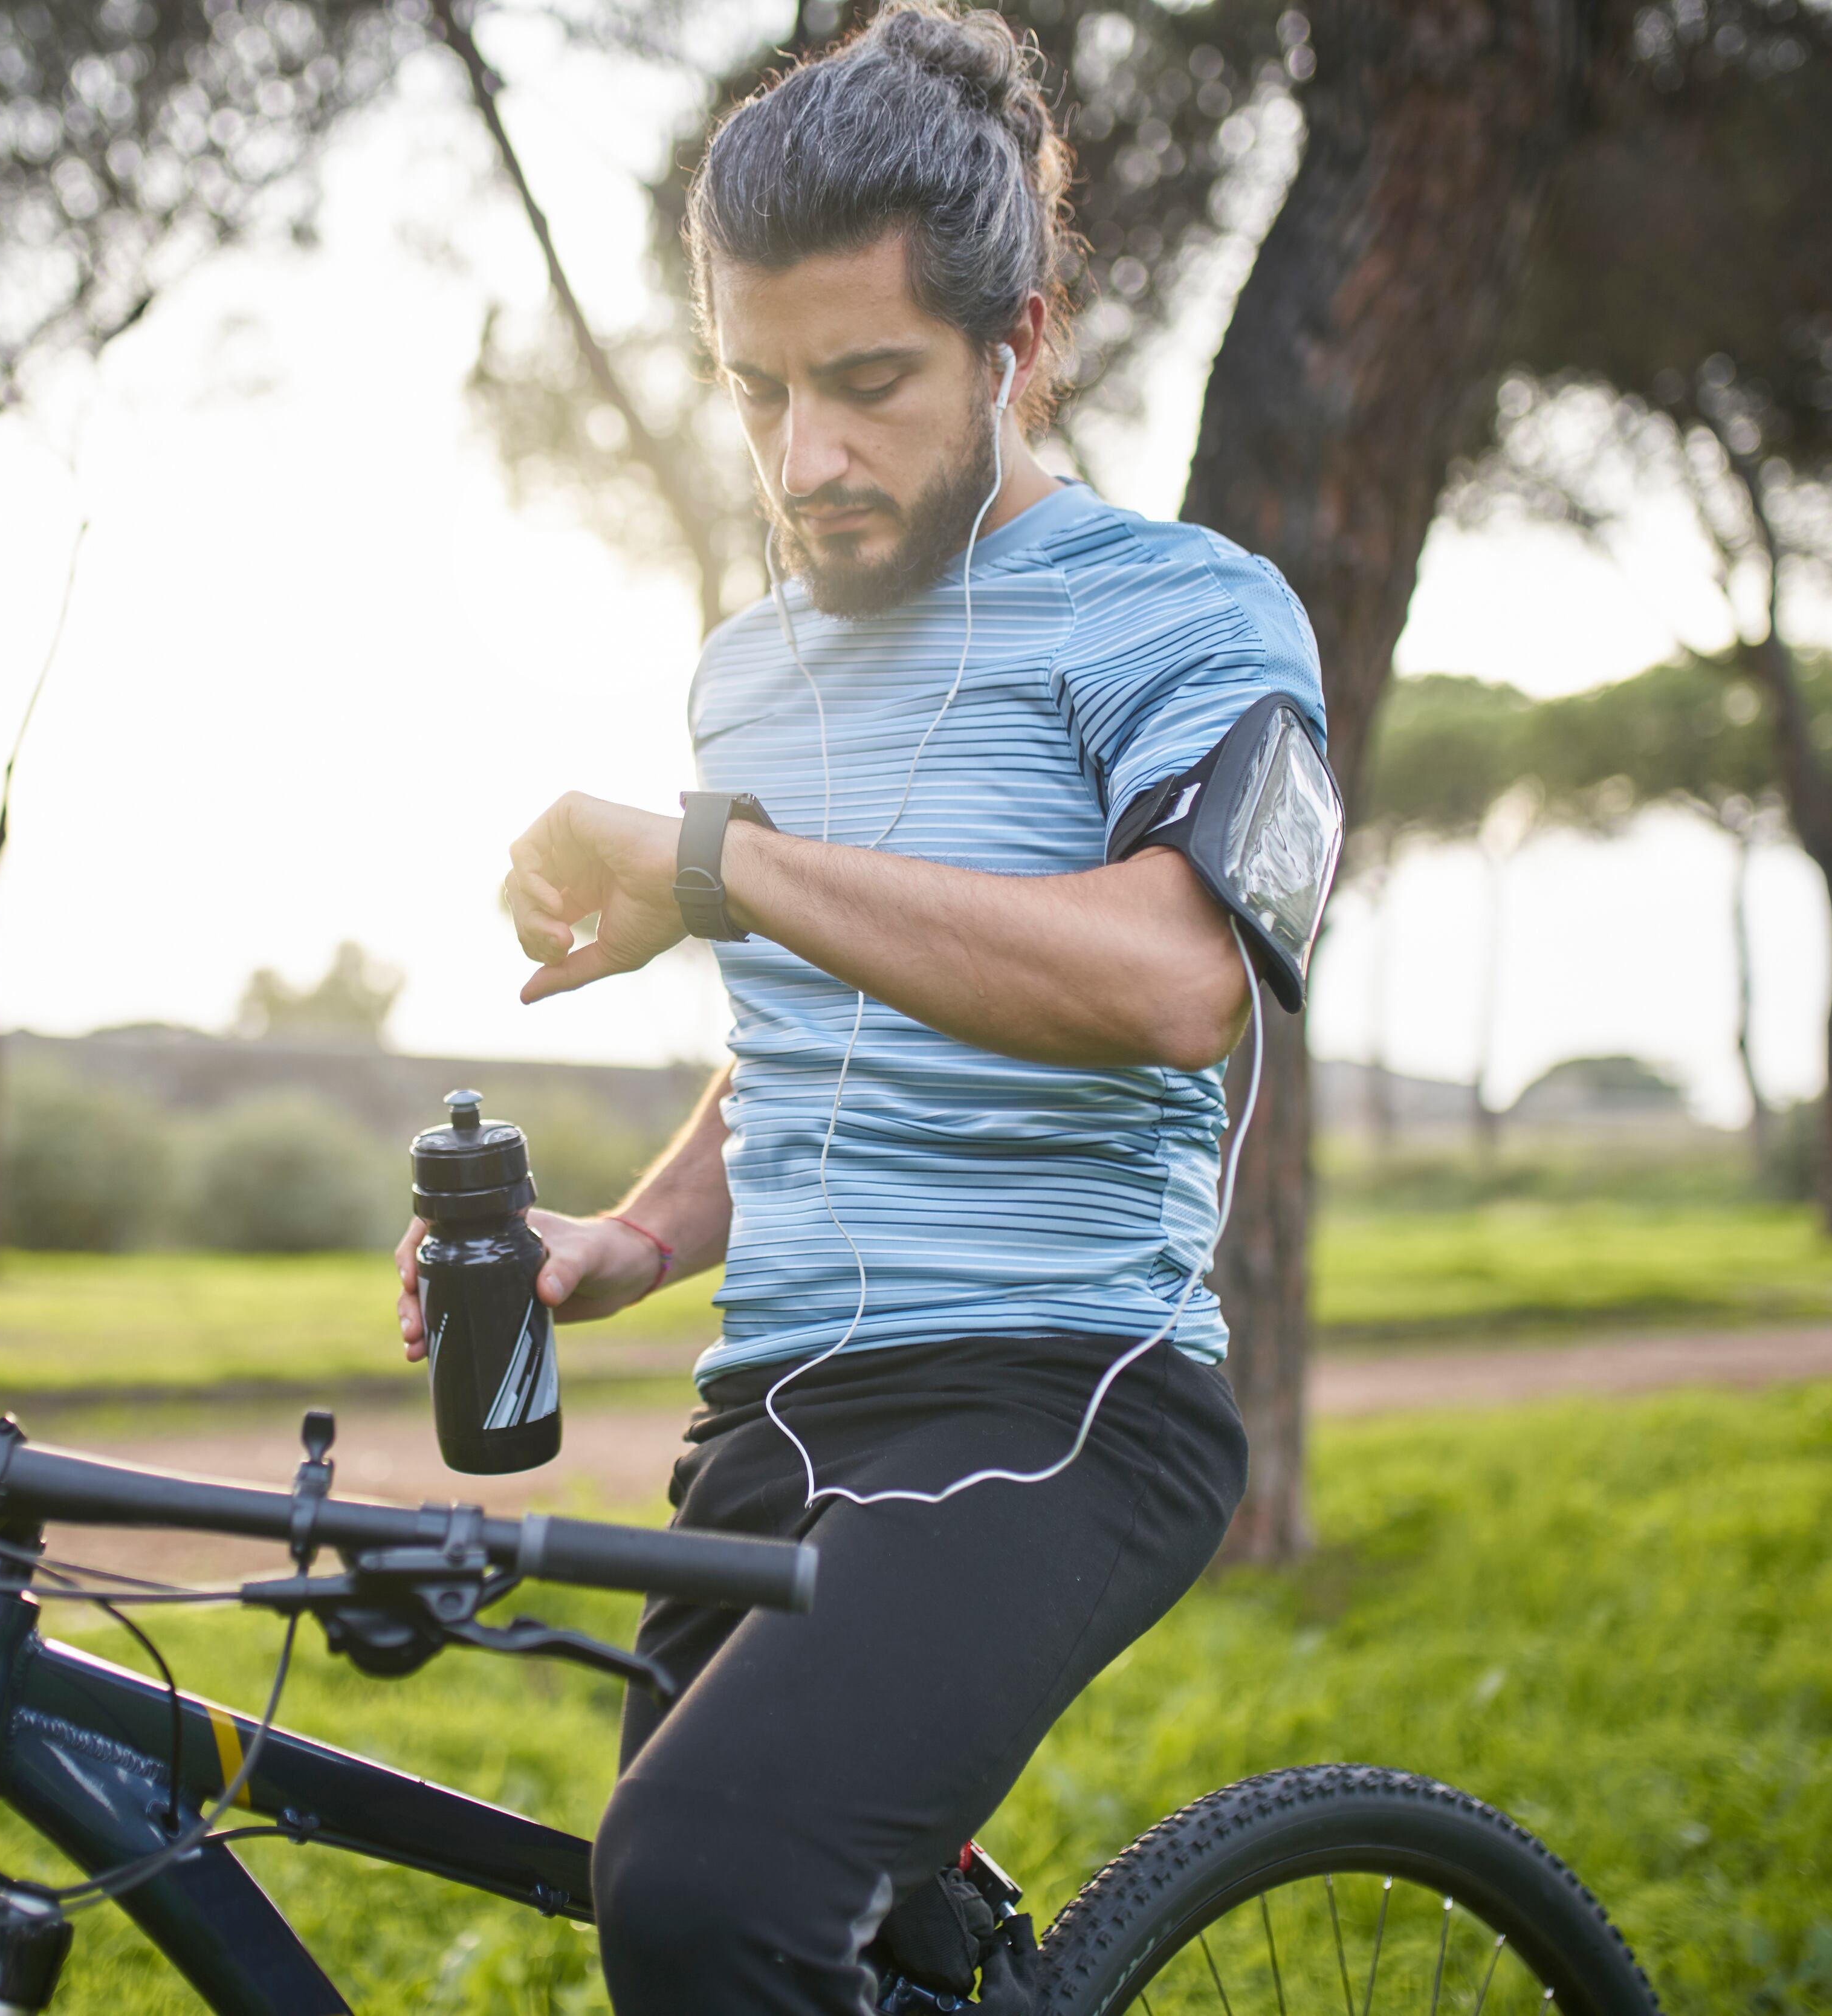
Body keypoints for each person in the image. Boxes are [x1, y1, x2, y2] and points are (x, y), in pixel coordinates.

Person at [390, 4, 1327, 2006]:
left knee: (706, 1899)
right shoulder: (750, 670)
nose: (808, 458)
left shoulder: (1189, 610)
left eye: (873, 382)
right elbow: (818, 1027)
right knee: (734, 1944)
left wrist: (721, 864)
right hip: (771, 1423)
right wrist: (638, 1235)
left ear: (1025, 342)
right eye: (759, 390)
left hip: (1061, 1400)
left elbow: (1176, 986)